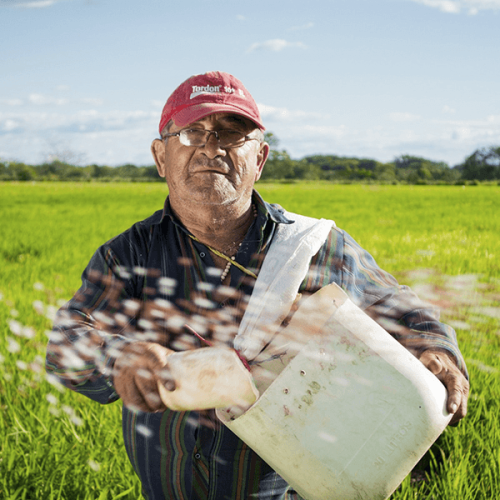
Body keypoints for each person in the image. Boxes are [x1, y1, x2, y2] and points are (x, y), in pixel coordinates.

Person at [46, 71, 469, 500]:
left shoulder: (311, 247)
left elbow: (398, 307)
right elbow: (66, 340)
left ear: (260, 159)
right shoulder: (130, 254)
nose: (212, 147)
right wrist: (118, 359)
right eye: (193, 132)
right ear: (161, 157)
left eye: (232, 134)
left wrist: (436, 350)